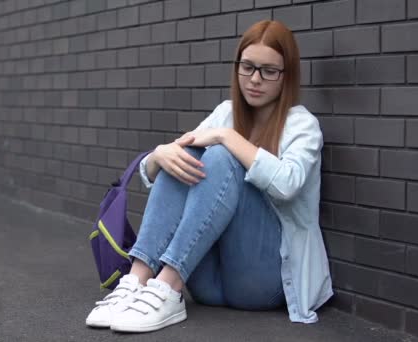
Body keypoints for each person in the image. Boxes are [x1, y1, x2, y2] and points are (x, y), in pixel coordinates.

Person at [85, 20, 333, 333]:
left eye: (269, 71)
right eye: (247, 67)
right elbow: (159, 171)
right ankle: (136, 278)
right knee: (185, 155)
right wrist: (158, 155)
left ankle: (168, 286)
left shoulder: (301, 125)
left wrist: (229, 138)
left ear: (287, 76)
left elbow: (287, 184)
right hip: (208, 283)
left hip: (262, 281)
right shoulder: (226, 112)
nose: (255, 79)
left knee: (218, 154)